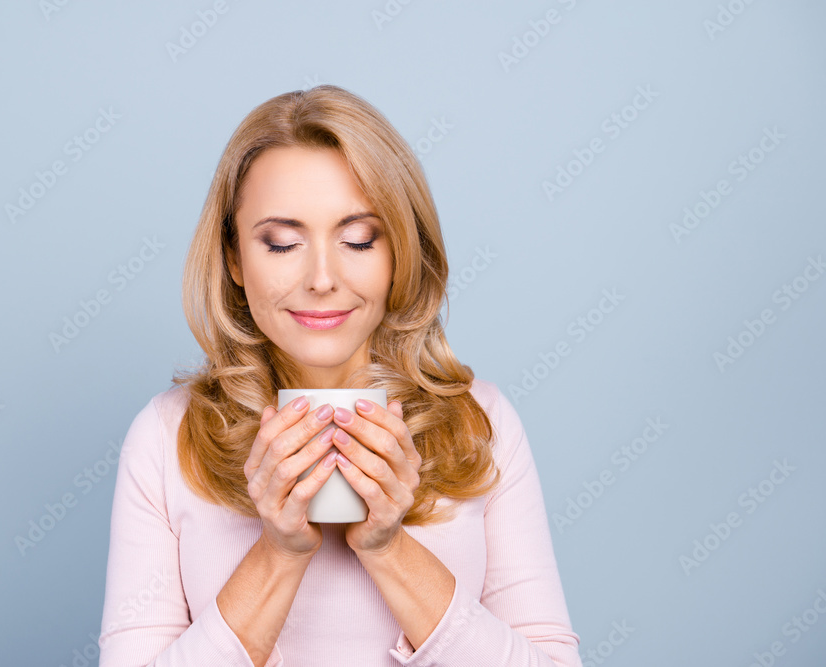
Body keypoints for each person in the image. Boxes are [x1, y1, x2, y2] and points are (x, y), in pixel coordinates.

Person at [97, 84, 582, 666]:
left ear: (399, 249)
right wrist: (278, 553)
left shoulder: (482, 421)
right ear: (234, 258)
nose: (322, 278)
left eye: (357, 239)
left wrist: (388, 546)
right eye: (281, 243)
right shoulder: (165, 437)